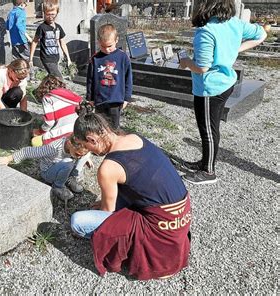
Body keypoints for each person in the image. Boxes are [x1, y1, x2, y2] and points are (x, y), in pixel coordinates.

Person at [70, 102, 191, 280]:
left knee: (77, 222)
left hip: (158, 228)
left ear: (92, 139)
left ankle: (136, 248)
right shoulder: (135, 138)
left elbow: (108, 213)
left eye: (86, 146)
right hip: (181, 214)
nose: (88, 151)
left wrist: (105, 206)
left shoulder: (108, 168)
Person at [178, 0, 267, 185]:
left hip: (210, 88)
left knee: (208, 130)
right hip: (226, 83)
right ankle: (205, 162)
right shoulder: (235, 23)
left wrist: (186, 62)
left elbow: (202, 67)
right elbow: (262, 34)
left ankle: (208, 172)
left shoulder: (206, 31)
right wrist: (236, 49)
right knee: (212, 127)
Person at [0, 135, 92, 201]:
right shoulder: (53, 148)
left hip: (63, 167)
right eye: (77, 154)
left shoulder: (75, 148)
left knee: (83, 157)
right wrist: (9, 158)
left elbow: (81, 153)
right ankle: (58, 186)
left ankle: (71, 178)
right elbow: (29, 151)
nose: (79, 156)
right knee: (68, 163)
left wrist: (85, 157)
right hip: (49, 172)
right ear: (70, 144)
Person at [87, 23, 132, 129]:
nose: (106, 50)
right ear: (98, 42)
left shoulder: (123, 57)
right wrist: (90, 98)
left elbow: (128, 78)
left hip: (115, 99)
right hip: (100, 100)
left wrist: (126, 98)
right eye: (103, 46)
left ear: (116, 40)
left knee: (114, 127)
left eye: (109, 46)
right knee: (100, 126)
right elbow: (90, 79)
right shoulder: (95, 59)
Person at [32, 75, 82, 147]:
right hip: (77, 132)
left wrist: (39, 132)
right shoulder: (71, 94)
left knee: (35, 141)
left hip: (64, 134)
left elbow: (49, 122)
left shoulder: (48, 98)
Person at [29, 0, 71, 78]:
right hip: (46, 58)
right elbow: (34, 42)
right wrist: (31, 59)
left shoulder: (58, 27)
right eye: (48, 14)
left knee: (52, 79)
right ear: (44, 13)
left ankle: (44, 89)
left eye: (53, 14)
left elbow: (62, 42)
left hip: (55, 58)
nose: (50, 17)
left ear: (57, 13)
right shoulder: (42, 27)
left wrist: (68, 58)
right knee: (59, 78)